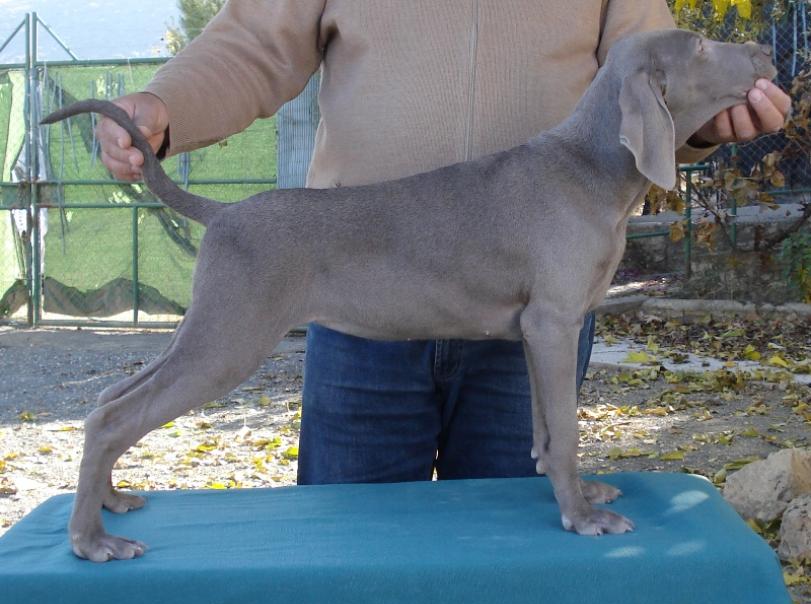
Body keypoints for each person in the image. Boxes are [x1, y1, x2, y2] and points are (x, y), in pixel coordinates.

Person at [96, 1, 790, 485]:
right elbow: (255, 40)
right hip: (362, 291)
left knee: (507, 567)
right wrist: (165, 108)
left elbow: (655, 63)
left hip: (530, 304)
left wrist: (705, 125)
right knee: (353, 566)